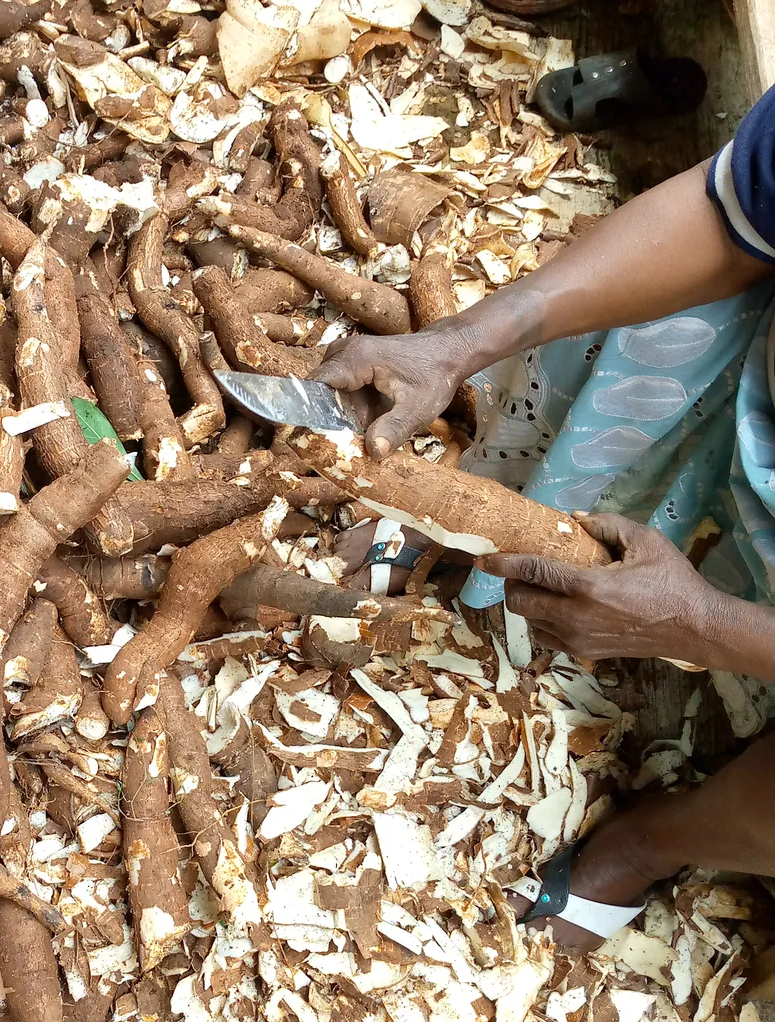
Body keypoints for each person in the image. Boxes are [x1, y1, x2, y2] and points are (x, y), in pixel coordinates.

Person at [314, 81, 775, 948]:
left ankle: (656, 839)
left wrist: (705, 625)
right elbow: (729, 216)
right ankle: (480, 514)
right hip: (757, 392)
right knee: (641, 319)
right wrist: (461, 341)